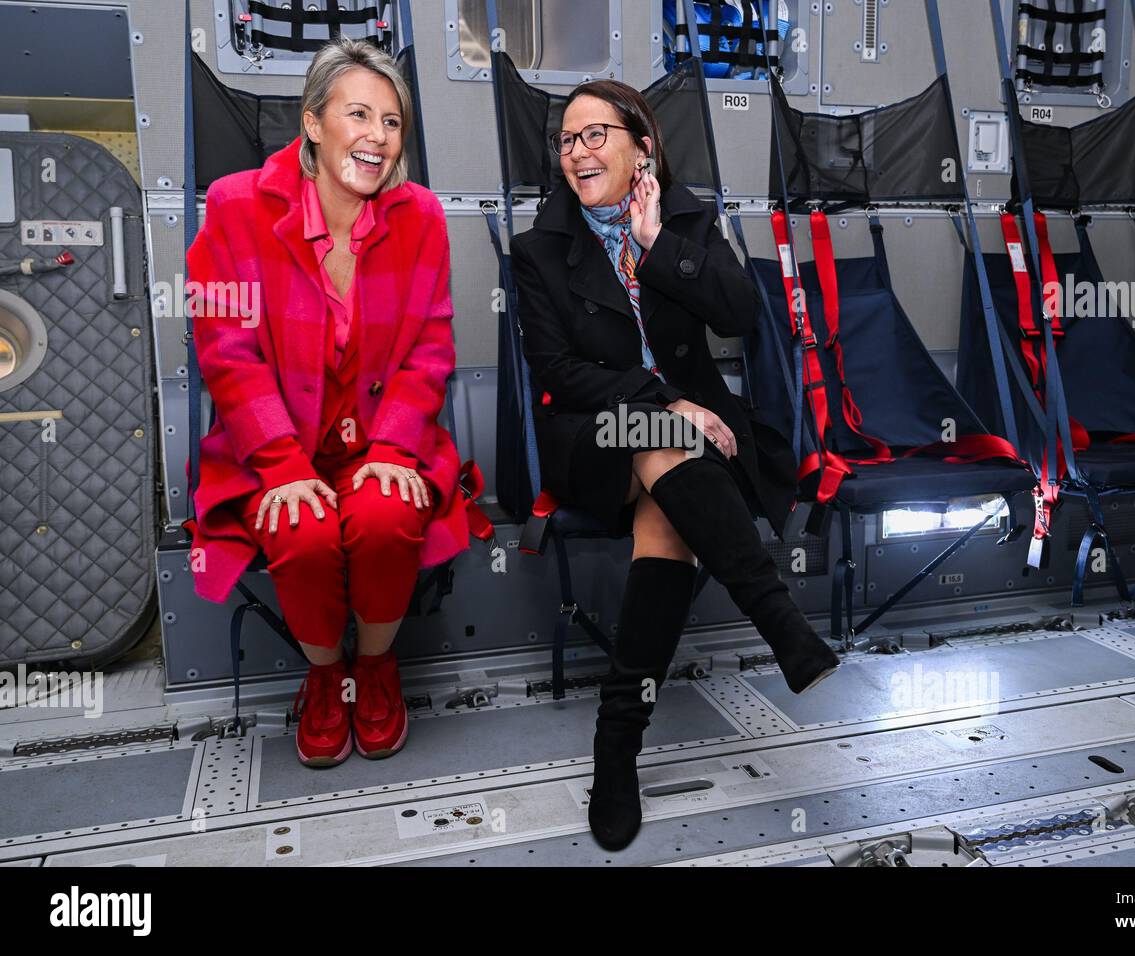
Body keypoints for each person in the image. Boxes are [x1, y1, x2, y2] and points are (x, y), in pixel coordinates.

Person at [509, 80, 840, 851]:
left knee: (666, 515)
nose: (578, 150)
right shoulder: (538, 250)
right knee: (664, 434)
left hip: (681, 451)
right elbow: (557, 369)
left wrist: (661, 250)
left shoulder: (687, 221)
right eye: (567, 140)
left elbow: (740, 315)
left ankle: (616, 747)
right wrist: (665, 402)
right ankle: (778, 617)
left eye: (596, 134)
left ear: (642, 147)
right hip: (590, 437)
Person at [186, 38, 468, 768]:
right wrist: (279, 463)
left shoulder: (423, 217)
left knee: (384, 514)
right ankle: (325, 677)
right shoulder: (233, 206)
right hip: (274, 448)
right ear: (313, 123)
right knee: (303, 524)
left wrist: (393, 450)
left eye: (393, 122)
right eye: (359, 115)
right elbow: (225, 351)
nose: (377, 136)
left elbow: (429, 349)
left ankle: (374, 669)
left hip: (379, 442)